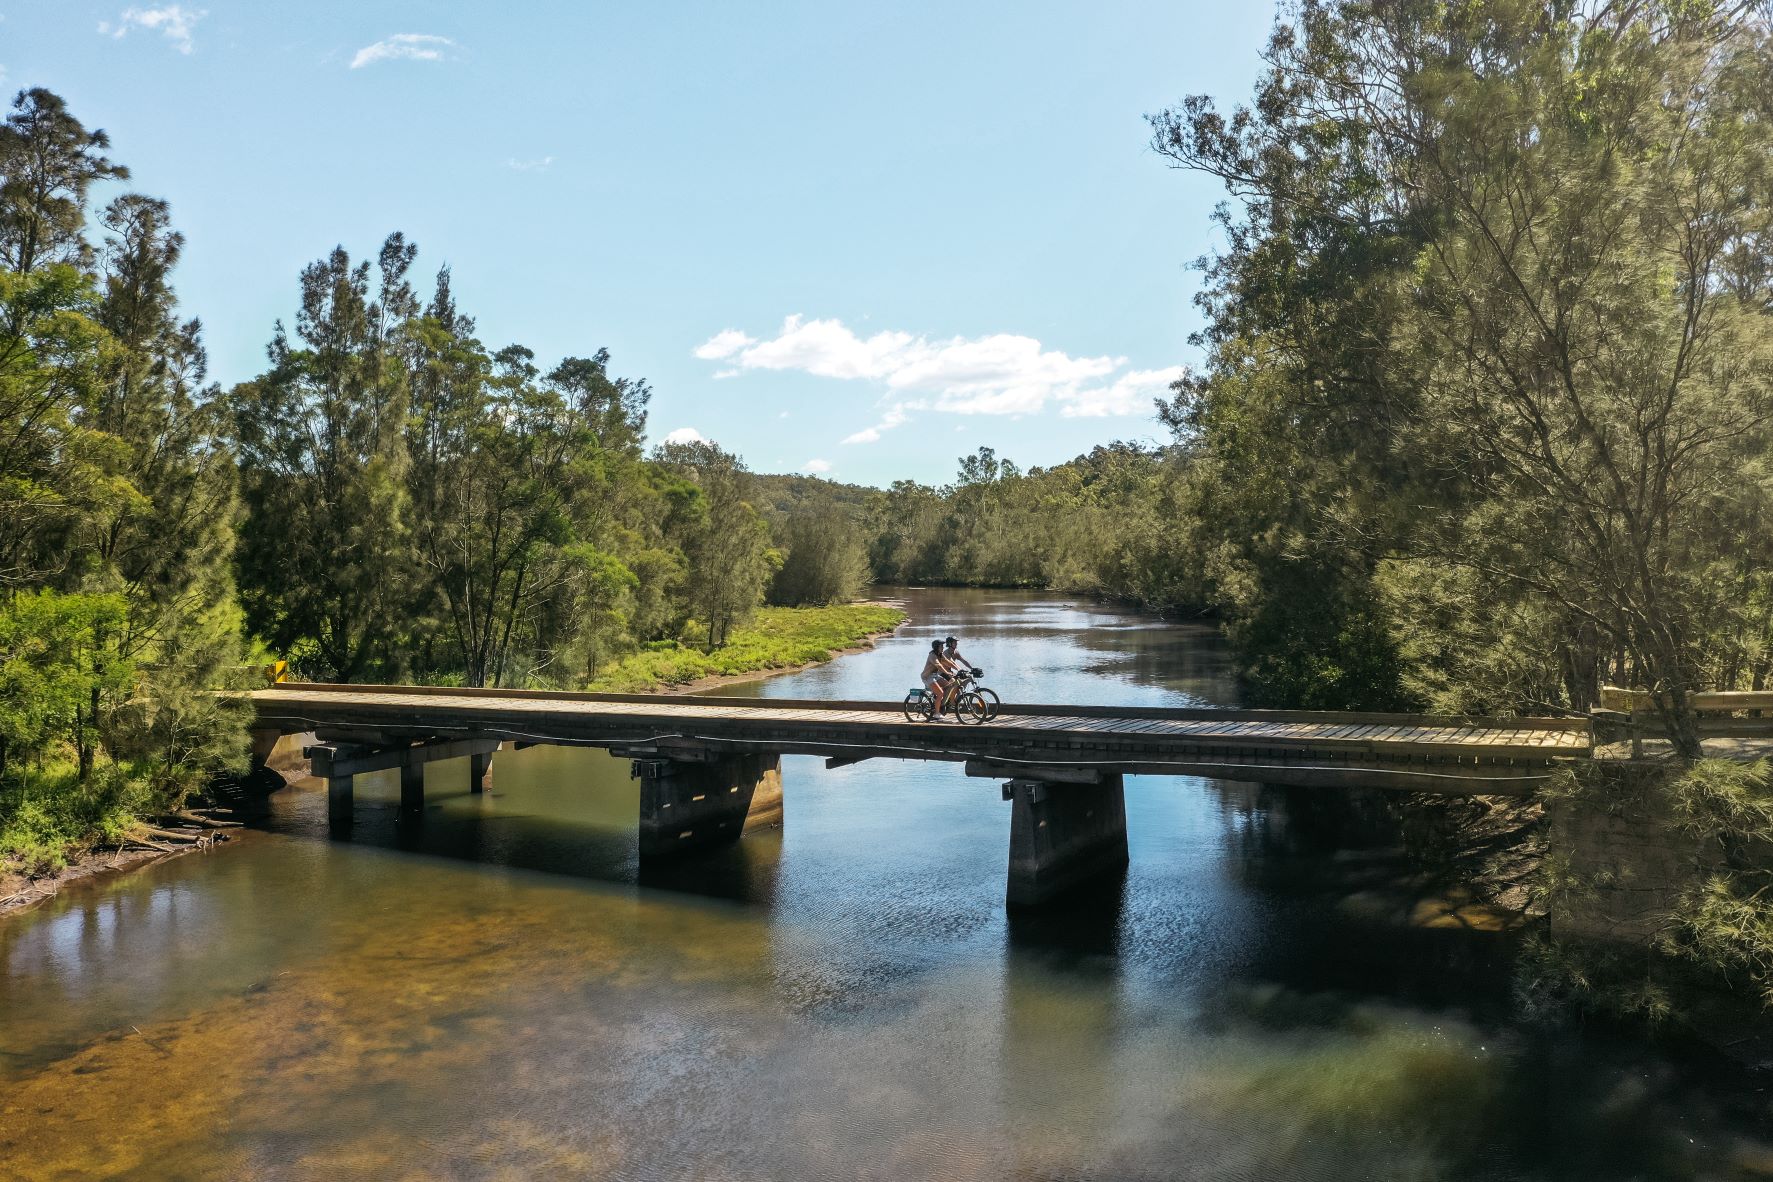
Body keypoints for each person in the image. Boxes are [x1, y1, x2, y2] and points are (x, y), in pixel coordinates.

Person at [920, 640, 953, 716]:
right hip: (927, 677)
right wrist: (947, 672)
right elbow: (939, 665)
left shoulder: (940, 654)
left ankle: (938, 702)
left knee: (949, 685)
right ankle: (937, 713)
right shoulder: (932, 655)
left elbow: (949, 662)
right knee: (940, 693)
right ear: (936, 647)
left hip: (934, 675)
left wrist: (959, 669)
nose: (943, 647)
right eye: (941, 646)